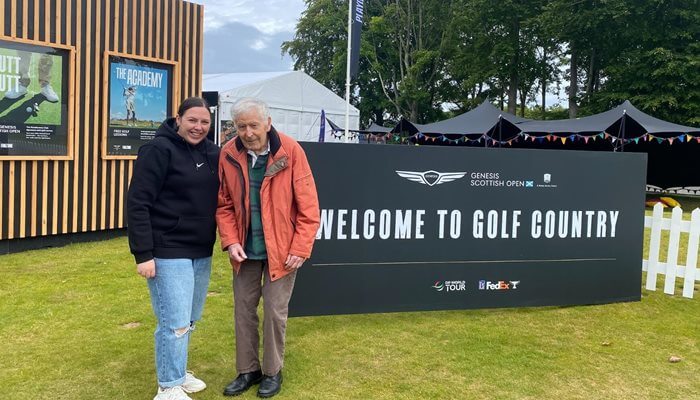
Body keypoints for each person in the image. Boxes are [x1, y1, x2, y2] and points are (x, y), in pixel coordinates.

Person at [217, 98, 320, 398]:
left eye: (253, 125)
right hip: (245, 251)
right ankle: (248, 370)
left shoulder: (291, 151)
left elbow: (309, 207)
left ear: (268, 123)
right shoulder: (228, 154)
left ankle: (273, 372)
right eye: (241, 126)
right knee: (243, 311)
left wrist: (301, 246)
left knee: (275, 313)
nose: (247, 133)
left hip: (283, 251)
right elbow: (224, 204)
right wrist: (231, 240)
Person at [127, 97, 220, 400]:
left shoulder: (212, 153)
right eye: (192, 120)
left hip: (201, 249)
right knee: (174, 322)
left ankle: (179, 372)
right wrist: (143, 255)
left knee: (190, 318)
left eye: (204, 122)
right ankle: (168, 386)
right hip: (167, 249)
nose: (198, 127)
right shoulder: (157, 150)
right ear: (178, 119)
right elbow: (138, 203)